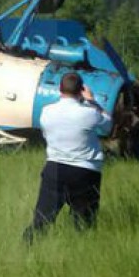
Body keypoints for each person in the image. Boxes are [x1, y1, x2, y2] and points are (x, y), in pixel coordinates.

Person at [23, 72, 113, 243]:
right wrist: (92, 101)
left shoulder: (47, 112)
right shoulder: (89, 113)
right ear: (81, 90)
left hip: (55, 167)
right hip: (85, 171)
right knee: (84, 223)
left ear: (59, 89)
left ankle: (27, 247)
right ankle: (80, 254)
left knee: (42, 219)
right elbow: (108, 124)